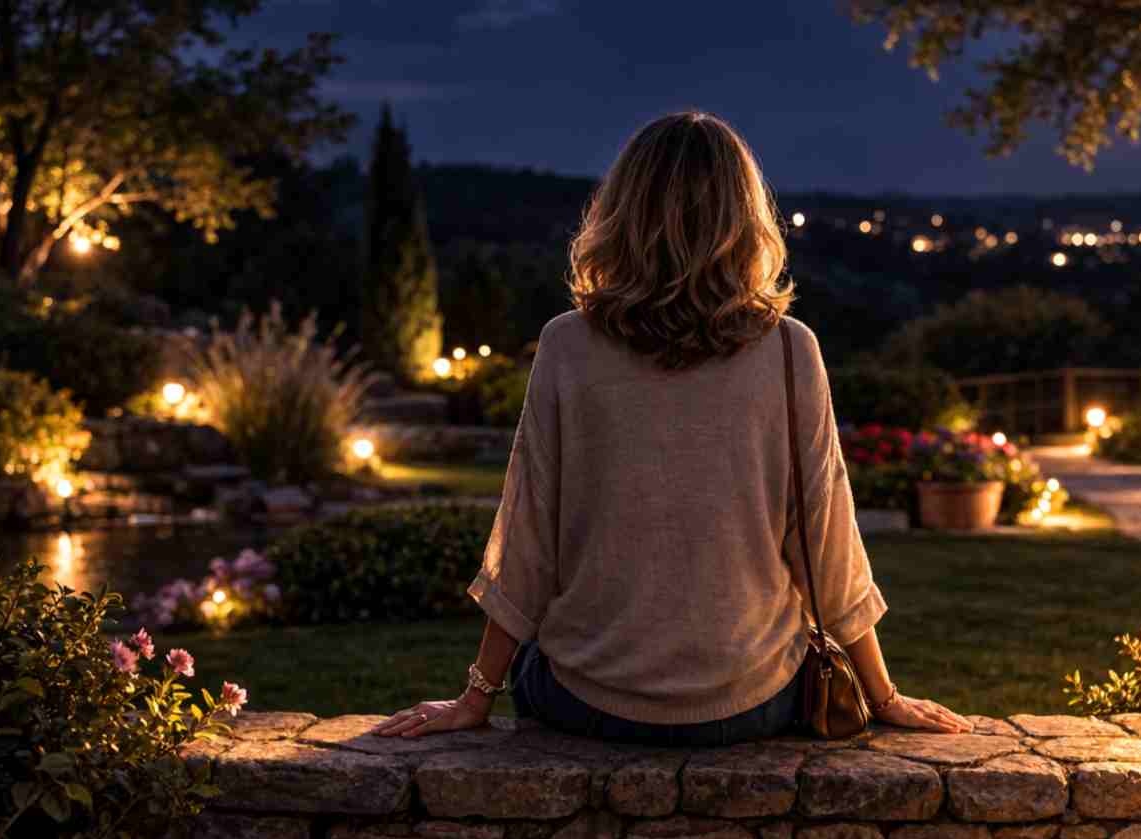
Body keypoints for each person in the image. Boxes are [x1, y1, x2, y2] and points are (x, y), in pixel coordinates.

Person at [373, 111, 971, 746]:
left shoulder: (567, 345)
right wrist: (883, 695)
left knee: (541, 665)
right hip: (750, 699)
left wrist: (476, 696)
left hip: (589, 700)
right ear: (745, 220)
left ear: (621, 212)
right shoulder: (790, 350)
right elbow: (824, 540)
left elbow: (528, 537)